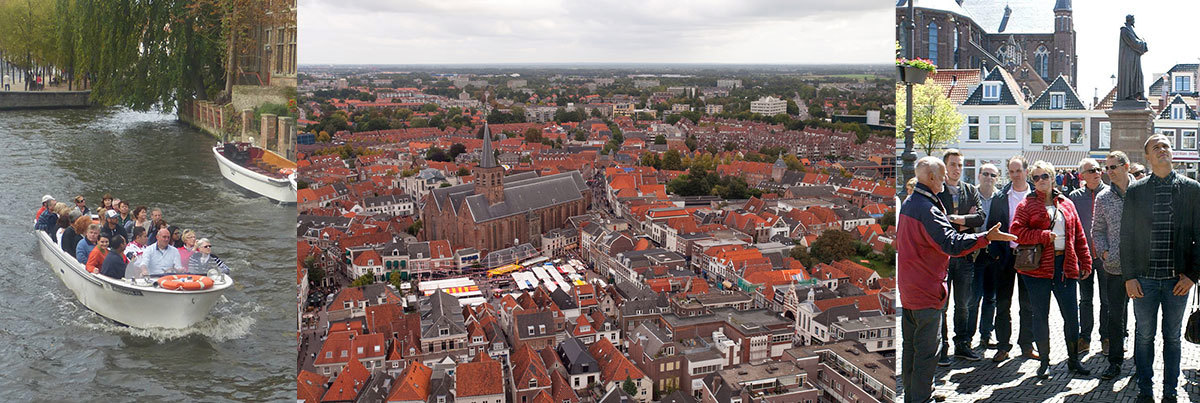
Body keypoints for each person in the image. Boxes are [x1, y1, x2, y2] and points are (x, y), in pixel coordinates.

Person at [898, 156, 1016, 403]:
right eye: (941, 176)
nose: (944, 180)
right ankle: (921, 398)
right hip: (927, 288)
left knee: (911, 348)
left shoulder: (910, 202)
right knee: (926, 352)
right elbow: (951, 243)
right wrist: (986, 237)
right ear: (931, 177)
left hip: (910, 287)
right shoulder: (927, 208)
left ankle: (917, 393)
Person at [1120, 134, 1200, 403]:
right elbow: (1126, 237)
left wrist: (1192, 276)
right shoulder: (1136, 191)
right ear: (1148, 157)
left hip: (1178, 280)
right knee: (1143, 336)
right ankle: (1145, 389)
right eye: (1156, 147)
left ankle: (1170, 391)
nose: (1162, 150)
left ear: (1172, 153)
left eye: (1165, 146)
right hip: (1144, 279)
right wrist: (1129, 277)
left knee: (1173, 338)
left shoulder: (1191, 188)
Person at [1011, 160, 1093, 379]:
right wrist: (1042, 236)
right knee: (1040, 315)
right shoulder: (1026, 205)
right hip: (1037, 269)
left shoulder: (1067, 203)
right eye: (1035, 178)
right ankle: (1045, 362)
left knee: (1071, 316)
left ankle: (1074, 360)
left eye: (1044, 176)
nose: (1040, 181)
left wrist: (1085, 261)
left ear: (1052, 176)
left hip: (1064, 266)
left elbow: (1079, 236)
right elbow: (1016, 232)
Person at [985, 155, 1040, 362]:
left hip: (1030, 257)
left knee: (1028, 305)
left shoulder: (1035, 196)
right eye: (1012, 171)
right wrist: (997, 253)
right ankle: (1003, 346)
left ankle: (1026, 345)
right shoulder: (1001, 196)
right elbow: (993, 226)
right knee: (1003, 304)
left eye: (1019, 171)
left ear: (1026, 171)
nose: (1015, 175)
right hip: (1006, 257)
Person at [934, 149, 986, 363]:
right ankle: (943, 347)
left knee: (963, 304)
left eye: (960, 165)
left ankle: (962, 344)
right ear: (945, 167)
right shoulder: (937, 191)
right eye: (953, 164)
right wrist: (966, 219)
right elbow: (937, 220)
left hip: (965, 256)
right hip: (943, 256)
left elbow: (980, 218)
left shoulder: (970, 190)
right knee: (943, 305)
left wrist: (955, 218)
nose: (957, 169)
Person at [1092, 150, 1134, 381]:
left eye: (1113, 167)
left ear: (1126, 166)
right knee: (1114, 317)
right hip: (1114, 267)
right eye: (1106, 168)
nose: (1109, 172)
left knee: (1143, 319)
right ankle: (1115, 362)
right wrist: (1105, 253)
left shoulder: (1142, 192)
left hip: (1141, 267)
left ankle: (1142, 362)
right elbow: (1097, 230)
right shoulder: (1103, 198)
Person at [1068, 158, 1108, 356]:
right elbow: (1071, 228)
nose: (1097, 173)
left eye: (1098, 169)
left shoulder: (1110, 193)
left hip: (1105, 256)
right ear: (1082, 175)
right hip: (1083, 257)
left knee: (1107, 300)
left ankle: (1106, 337)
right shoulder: (1075, 197)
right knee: (1085, 299)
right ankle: (1085, 337)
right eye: (1091, 170)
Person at [971, 163, 1001, 349]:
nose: (989, 178)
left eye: (992, 175)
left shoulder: (1000, 197)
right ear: (979, 176)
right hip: (975, 252)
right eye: (985, 174)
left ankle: (986, 335)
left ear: (997, 178)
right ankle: (968, 336)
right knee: (973, 298)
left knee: (991, 297)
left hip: (993, 253)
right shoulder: (970, 195)